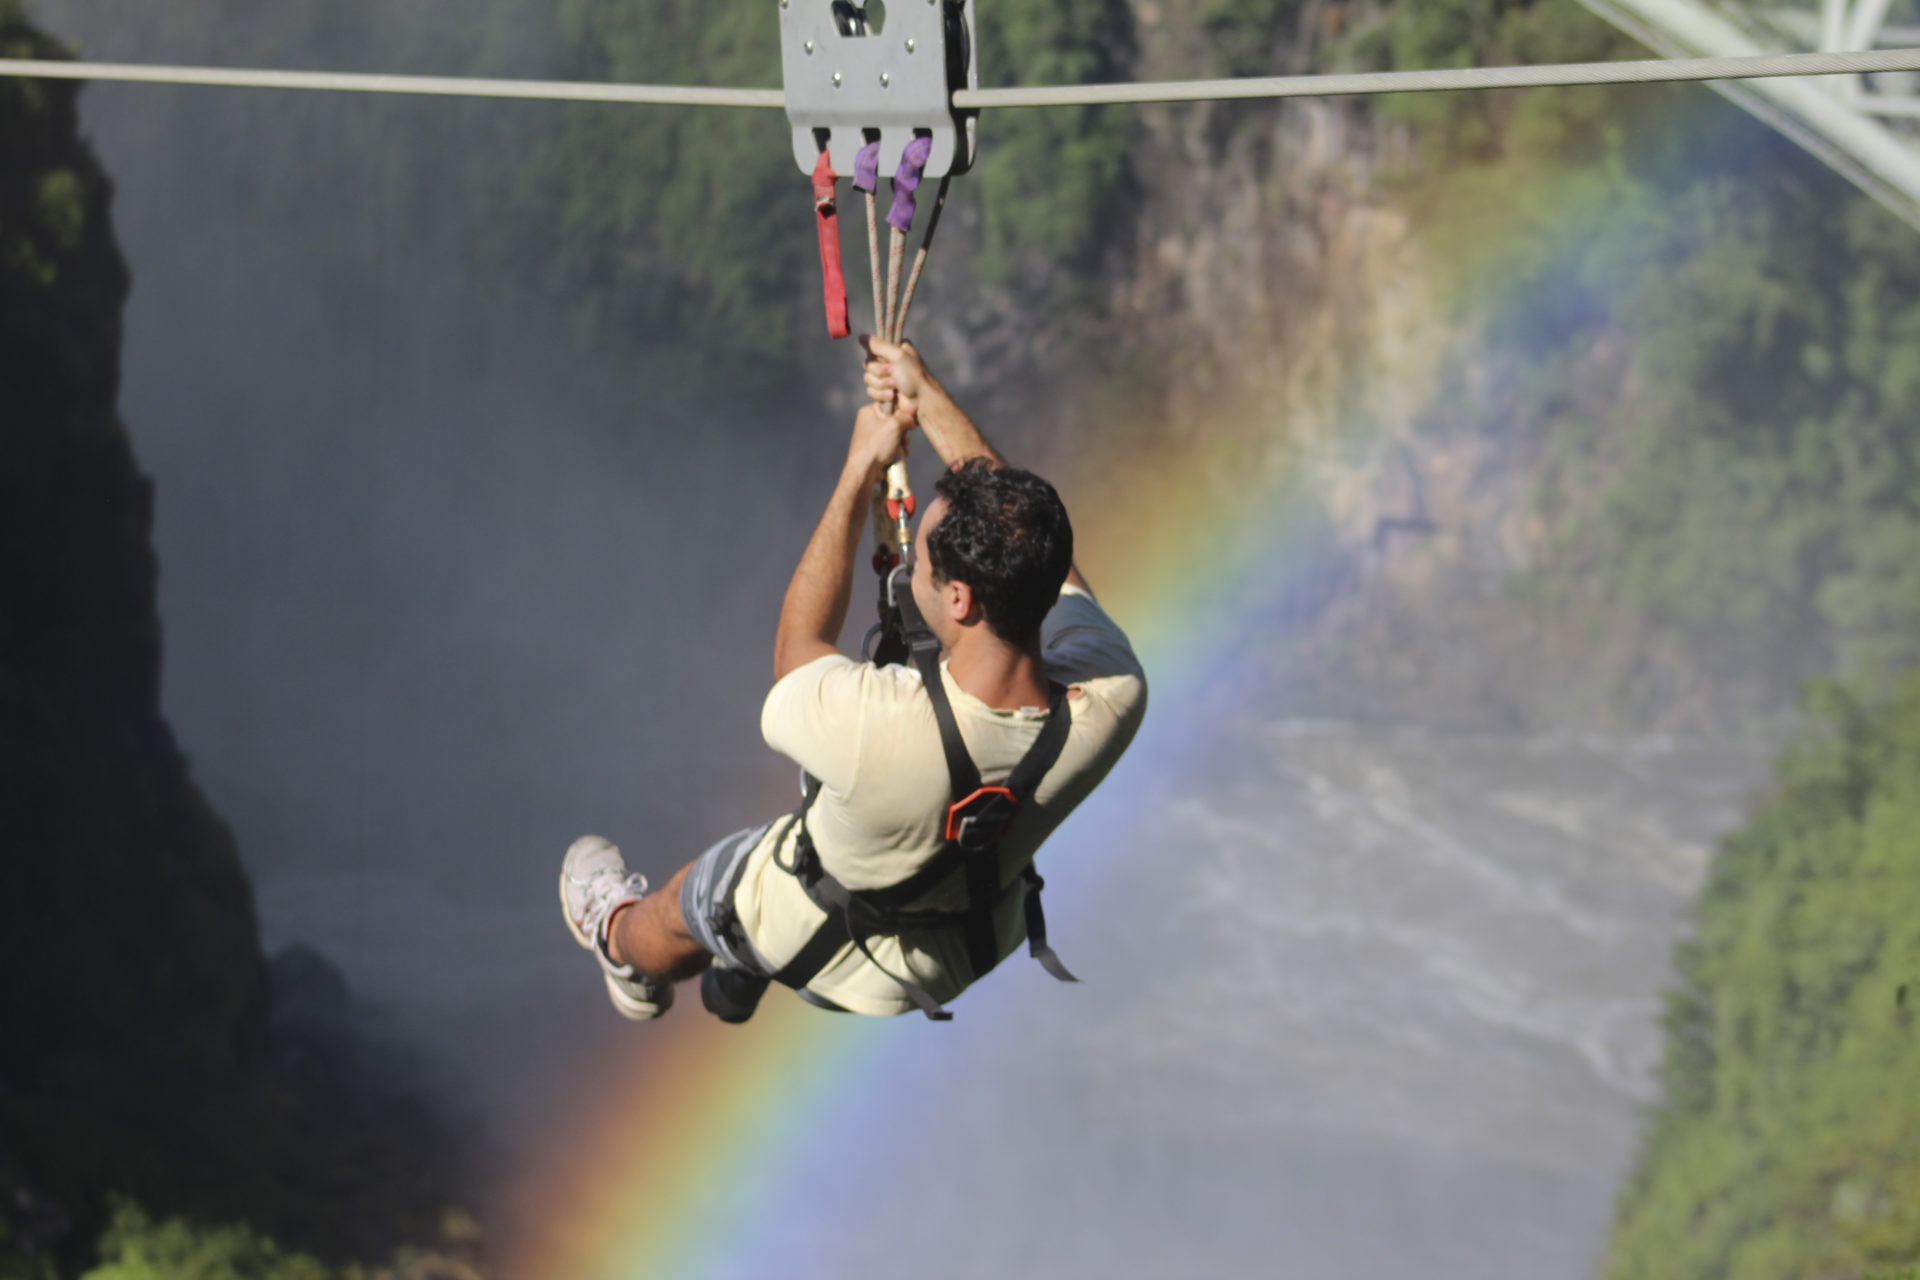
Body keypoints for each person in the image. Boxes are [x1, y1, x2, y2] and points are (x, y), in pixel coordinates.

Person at [558, 338, 1147, 1020]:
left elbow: (795, 655)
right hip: (963, 945)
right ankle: (740, 971)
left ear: (960, 600)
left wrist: (857, 471)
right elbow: (1036, 546)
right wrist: (923, 394)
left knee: (691, 898)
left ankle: (618, 946)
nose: (910, 567)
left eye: (922, 562)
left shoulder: (879, 727)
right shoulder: (1113, 693)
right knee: (849, 820)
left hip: (821, 938)